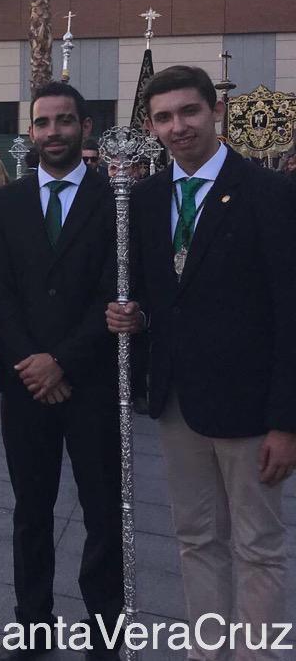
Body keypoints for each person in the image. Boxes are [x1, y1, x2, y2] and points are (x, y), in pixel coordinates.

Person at [107, 65, 296, 661]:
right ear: (151, 125)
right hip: (177, 403)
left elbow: (291, 310)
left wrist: (286, 422)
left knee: (259, 546)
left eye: (188, 112)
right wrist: (134, 317)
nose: (177, 127)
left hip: (250, 409)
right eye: (163, 117)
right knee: (195, 539)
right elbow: (159, 294)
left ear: (214, 111)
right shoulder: (145, 198)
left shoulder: (270, 193)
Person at [0, 82, 122, 660]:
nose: (54, 132)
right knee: (31, 510)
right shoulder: (7, 204)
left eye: (65, 121)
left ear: (84, 127)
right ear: (30, 132)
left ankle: (104, 627)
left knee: (103, 511)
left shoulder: (114, 200)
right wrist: (33, 363)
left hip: (89, 380)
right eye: (43, 123)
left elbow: (112, 290)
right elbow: (0, 293)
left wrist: (62, 359)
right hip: (27, 384)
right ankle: (32, 621)